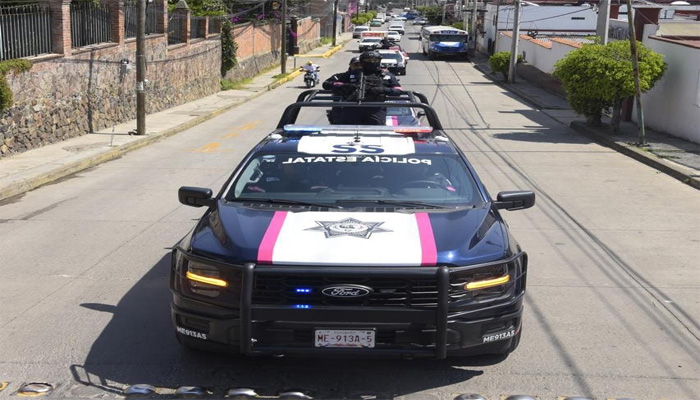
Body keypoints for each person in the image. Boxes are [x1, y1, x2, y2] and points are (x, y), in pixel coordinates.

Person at [322, 51, 403, 125]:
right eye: (368, 60)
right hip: (352, 108)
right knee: (347, 130)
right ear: (362, 61)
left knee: (376, 131)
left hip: (375, 109)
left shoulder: (386, 75)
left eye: (375, 60)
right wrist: (347, 86)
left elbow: (398, 90)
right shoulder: (352, 74)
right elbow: (328, 85)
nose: (372, 62)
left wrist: (382, 90)